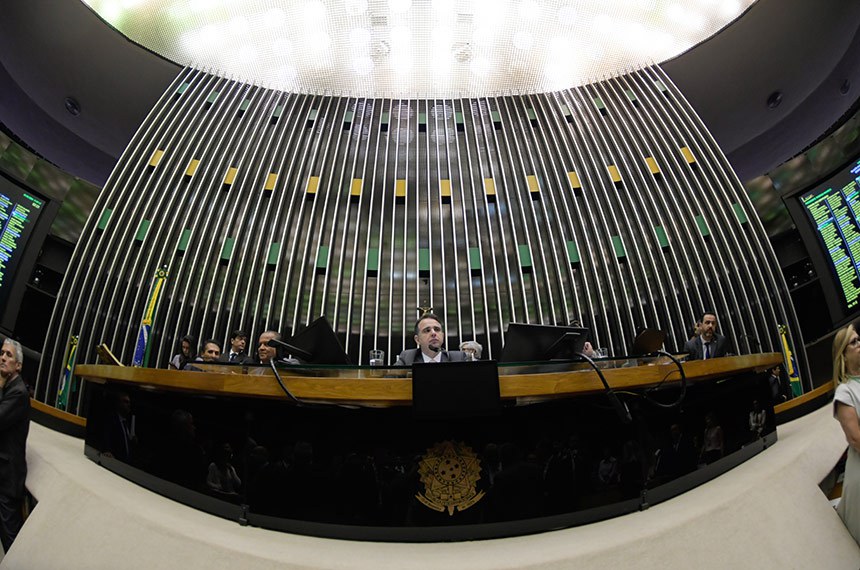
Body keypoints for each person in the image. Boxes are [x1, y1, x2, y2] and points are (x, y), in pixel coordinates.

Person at [0, 339, 30, 552]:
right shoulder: (8, 387)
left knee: (11, 544)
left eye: (8, 355)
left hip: (6, 481)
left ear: (18, 365)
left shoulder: (18, 393)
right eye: (2, 353)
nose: (2, 358)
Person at [832, 323, 860, 544]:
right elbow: (855, 439)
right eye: (854, 342)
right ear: (843, 354)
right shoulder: (845, 391)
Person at [394, 314, 467, 365]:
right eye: (427, 330)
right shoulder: (407, 358)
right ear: (417, 340)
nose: (433, 333)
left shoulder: (458, 358)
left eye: (437, 329)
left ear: (442, 336)